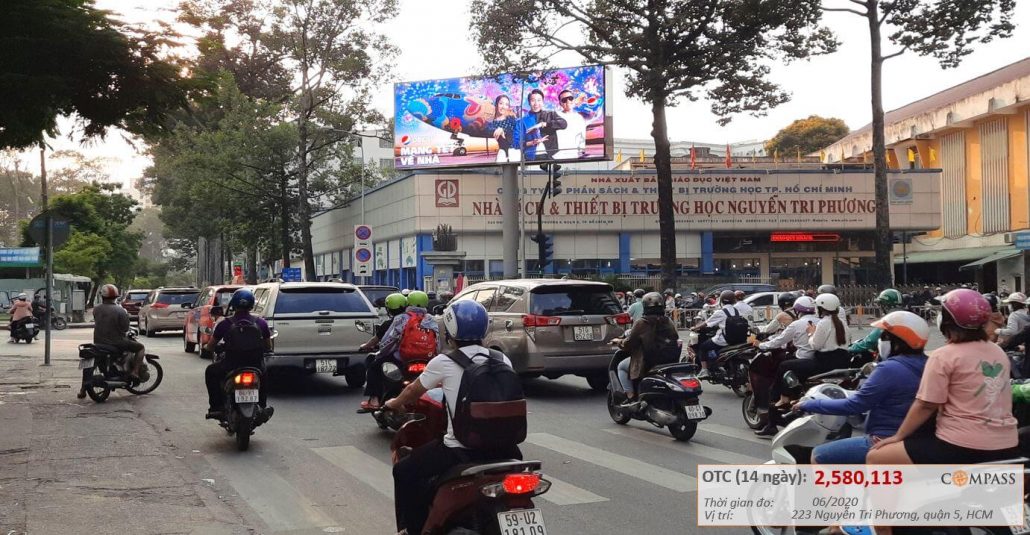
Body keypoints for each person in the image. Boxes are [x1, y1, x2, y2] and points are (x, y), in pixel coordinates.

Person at [386, 300, 522, 535]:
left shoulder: (445, 362)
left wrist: (394, 403)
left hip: (460, 450)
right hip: (507, 449)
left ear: (450, 332)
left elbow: (413, 391)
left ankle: (413, 529)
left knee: (404, 471)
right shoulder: (502, 360)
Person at [868, 289, 1019, 472]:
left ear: (946, 320)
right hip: (1007, 443)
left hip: (960, 444)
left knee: (876, 457)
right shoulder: (997, 351)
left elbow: (926, 405)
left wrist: (898, 436)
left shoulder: (944, 356)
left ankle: (885, 502)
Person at [796, 310, 929, 463]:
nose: (880, 342)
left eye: (884, 337)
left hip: (885, 439)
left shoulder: (889, 368)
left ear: (897, 342)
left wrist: (809, 404)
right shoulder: (929, 364)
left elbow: (855, 405)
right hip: (916, 438)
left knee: (818, 455)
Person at [360, 291, 439, 411]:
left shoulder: (401, 318)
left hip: (402, 358)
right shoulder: (431, 319)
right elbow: (437, 340)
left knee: (374, 366)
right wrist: (435, 356)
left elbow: (389, 340)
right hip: (427, 359)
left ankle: (374, 401)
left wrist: (381, 354)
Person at [753, 296, 819, 436]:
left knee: (774, 388)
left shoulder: (796, 324)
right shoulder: (823, 322)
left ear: (797, 310)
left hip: (800, 359)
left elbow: (779, 340)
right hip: (820, 361)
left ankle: (772, 423)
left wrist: (761, 345)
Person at [203, 289, 273, 420]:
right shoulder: (261, 323)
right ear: (252, 305)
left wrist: (208, 347)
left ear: (233, 304)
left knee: (210, 372)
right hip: (255, 364)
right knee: (264, 377)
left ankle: (216, 407)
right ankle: (262, 406)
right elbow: (268, 346)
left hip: (231, 364)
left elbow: (211, 345)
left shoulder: (225, 324)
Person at [611, 292, 679, 403]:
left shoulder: (642, 322)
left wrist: (619, 342)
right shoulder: (668, 321)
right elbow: (675, 337)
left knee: (621, 367)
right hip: (667, 360)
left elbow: (629, 343)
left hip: (647, 360)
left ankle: (630, 396)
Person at [86, 285, 145, 399]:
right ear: (116, 297)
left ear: (102, 296)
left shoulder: (96, 309)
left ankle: (83, 390)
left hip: (98, 342)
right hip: (116, 342)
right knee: (140, 348)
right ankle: (135, 372)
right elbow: (124, 329)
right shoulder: (120, 310)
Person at [693, 290, 749, 379]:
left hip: (724, 340)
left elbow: (706, 323)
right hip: (739, 340)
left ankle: (704, 370)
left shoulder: (721, 312)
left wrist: (694, 328)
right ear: (734, 300)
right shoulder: (737, 311)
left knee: (703, 347)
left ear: (721, 300)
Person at [849, 289, 902, 357]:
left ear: (885, 305)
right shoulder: (908, 316)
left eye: (881, 304)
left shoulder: (888, 320)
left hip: (892, 359)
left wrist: (850, 348)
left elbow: (869, 342)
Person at [518, 88, 567, 160]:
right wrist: (532, 142)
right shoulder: (523, 120)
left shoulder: (550, 114)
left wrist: (544, 124)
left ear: (543, 102)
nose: (536, 103)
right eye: (533, 100)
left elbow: (564, 124)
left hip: (550, 155)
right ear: (529, 102)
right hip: (530, 157)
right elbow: (518, 142)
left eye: (539, 100)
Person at [553, 88, 587, 159]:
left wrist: (581, 152)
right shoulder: (555, 115)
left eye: (570, 98)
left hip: (573, 157)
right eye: (564, 100)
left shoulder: (579, 118)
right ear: (560, 103)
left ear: (574, 100)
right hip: (556, 157)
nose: (568, 101)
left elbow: (582, 139)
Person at [488, 94, 521, 163]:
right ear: (496, 104)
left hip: (514, 153)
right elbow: (487, 130)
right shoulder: (492, 122)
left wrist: (503, 131)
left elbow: (514, 136)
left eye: (506, 104)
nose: (503, 107)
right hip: (502, 154)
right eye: (501, 103)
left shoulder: (512, 119)